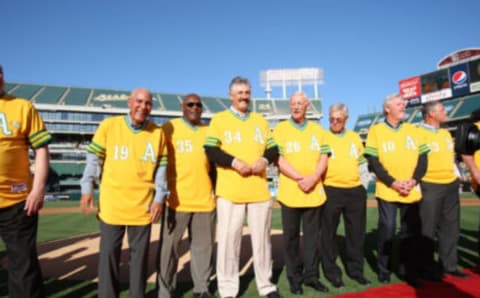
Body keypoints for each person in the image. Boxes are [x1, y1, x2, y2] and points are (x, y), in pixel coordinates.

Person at [80, 88, 168, 298]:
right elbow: (93, 158)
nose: (142, 106)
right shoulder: (109, 126)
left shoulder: (158, 133)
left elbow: (162, 169)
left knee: (139, 260)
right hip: (112, 205)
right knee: (109, 257)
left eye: (147, 103)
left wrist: (159, 198)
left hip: (143, 206)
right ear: (129, 103)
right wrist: (87, 187)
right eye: (138, 101)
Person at [204, 76, 281, 298]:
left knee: (262, 242)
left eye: (247, 92)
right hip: (230, 191)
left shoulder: (260, 120)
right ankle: (228, 290)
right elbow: (210, 149)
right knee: (229, 242)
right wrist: (234, 162)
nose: (244, 96)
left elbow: (273, 148)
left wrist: (264, 160)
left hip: (258, 190)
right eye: (240, 93)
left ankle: (265, 286)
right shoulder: (219, 119)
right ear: (231, 96)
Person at [364, 93, 429, 287]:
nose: (404, 106)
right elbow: (374, 162)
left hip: (412, 189)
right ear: (387, 109)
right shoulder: (376, 130)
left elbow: (423, 159)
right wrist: (392, 182)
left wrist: (414, 180)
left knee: (410, 232)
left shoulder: (414, 129)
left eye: (404, 104)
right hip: (388, 189)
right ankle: (384, 269)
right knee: (388, 228)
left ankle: (407, 270)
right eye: (399, 104)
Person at [157, 94, 216, 298]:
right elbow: (159, 161)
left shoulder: (209, 131)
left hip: (204, 201)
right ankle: (165, 291)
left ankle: (201, 288)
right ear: (183, 107)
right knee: (168, 250)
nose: (195, 108)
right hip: (176, 201)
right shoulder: (168, 128)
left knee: (203, 248)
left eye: (199, 105)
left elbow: (215, 165)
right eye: (190, 104)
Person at [0, 65, 51, 297]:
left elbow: (41, 149)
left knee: (23, 265)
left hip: (18, 201)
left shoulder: (22, 107)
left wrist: (38, 189)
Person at [272, 91, 330, 295]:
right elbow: (278, 158)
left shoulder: (317, 129)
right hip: (291, 193)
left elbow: (324, 157)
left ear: (307, 106)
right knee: (291, 239)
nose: (296, 107)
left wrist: (313, 178)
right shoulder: (280, 129)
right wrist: (299, 178)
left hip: (314, 193)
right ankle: (294, 278)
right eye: (293, 104)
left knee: (313, 239)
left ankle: (312, 276)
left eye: (300, 104)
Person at [417, 100, 469, 280]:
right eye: (441, 109)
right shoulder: (417, 133)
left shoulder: (446, 133)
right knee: (427, 229)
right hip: (430, 184)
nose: (445, 111)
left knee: (451, 228)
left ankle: (449, 265)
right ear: (431, 114)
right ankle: (426, 268)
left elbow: (451, 158)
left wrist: (456, 176)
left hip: (450, 185)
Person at [321, 103, 371, 288]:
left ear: (346, 119)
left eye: (338, 119)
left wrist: (363, 187)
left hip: (354, 192)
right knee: (328, 235)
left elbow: (362, 163)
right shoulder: (322, 136)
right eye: (332, 119)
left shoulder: (354, 137)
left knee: (356, 234)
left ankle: (356, 271)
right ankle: (332, 272)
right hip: (330, 190)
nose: (334, 122)